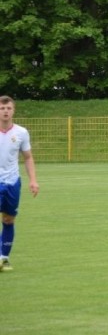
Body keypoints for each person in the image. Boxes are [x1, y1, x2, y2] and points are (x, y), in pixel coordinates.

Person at [0, 96, 39, 271]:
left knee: (9, 220)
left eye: (8, 108)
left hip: (13, 182)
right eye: (2, 108)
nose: (5, 111)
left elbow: (28, 158)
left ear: (13, 110)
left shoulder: (21, 132)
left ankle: (4, 258)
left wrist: (33, 180)